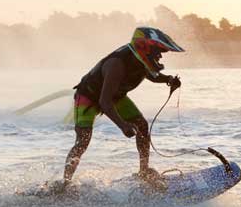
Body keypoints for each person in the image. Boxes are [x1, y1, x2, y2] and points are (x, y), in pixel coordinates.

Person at [63, 27, 184, 190]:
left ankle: (143, 171)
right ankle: (66, 183)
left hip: (115, 97)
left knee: (142, 125)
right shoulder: (116, 64)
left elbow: (151, 76)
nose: (160, 56)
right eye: (158, 51)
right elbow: (104, 102)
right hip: (88, 97)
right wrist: (123, 126)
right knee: (83, 140)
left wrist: (168, 79)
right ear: (144, 47)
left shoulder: (140, 59)